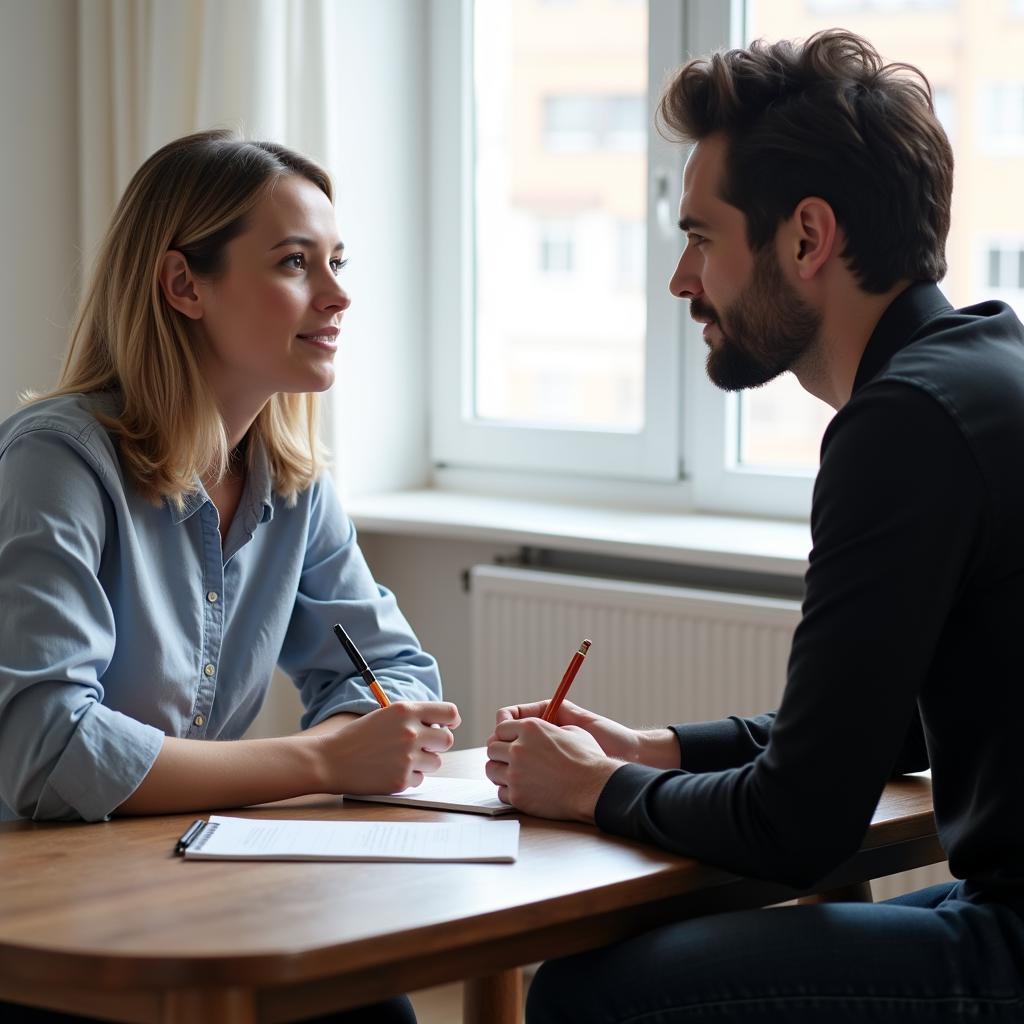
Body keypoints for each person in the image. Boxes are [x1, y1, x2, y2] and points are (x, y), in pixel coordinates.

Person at [486, 29, 1024, 1023]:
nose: (680, 281)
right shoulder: (988, 370)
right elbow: (897, 722)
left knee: (586, 996)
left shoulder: (902, 426)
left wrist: (592, 790)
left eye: (699, 237)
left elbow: (797, 822)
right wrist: (659, 752)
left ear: (805, 237)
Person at [0, 128, 459, 1024]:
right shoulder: (54, 464)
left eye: (337, 261)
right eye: (297, 263)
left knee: (372, 1010)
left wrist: (371, 732)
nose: (338, 296)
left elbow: (392, 672)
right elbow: (50, 753)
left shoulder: (292, 482)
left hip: (182, 878)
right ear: (183, 285)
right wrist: (325, 758)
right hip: (39, 918)